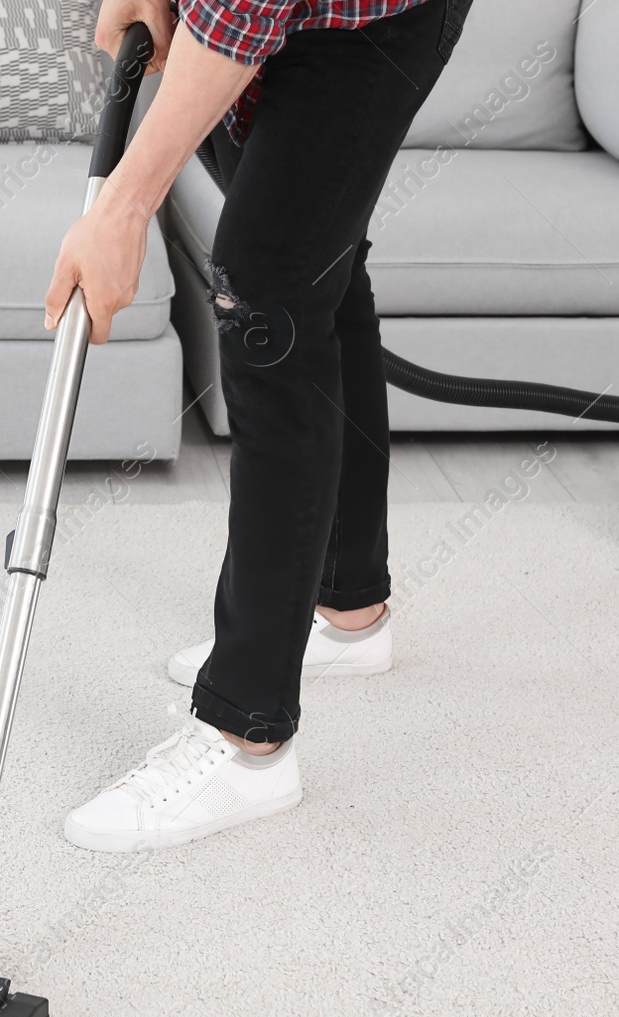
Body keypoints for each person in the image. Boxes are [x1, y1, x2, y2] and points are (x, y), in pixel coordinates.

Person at [48, 0, 472, 852]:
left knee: (268, 298)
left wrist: (124, 208)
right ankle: (351, 608)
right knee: (314, 269)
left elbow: (242, 12)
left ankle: (248, 739)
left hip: (376, 20)